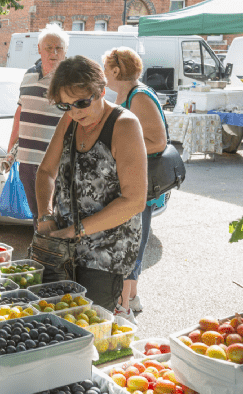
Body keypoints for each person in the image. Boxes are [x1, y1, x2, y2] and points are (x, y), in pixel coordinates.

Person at [35, 56, 147, 318]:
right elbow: (45, 172)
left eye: (82, 103)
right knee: (60, 321)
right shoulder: (71, 121)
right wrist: (45, 215)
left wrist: (77, 230)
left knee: (93, 326)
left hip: (106, 255)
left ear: (101, 90)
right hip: (64, 248)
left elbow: (134, 201)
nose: (75, 112)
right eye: (66, 105)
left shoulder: (124, 125)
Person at [103, 47, 168, 320]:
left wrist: (123, 148)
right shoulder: (128, 94)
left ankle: (124, 308)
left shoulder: (138, 96)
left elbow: (159, 141)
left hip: (139, 185)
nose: (103, 73)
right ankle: (131, 298)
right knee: (133, 244)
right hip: (131, 182)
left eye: (105, 68)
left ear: (116, 70)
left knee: (129, 247)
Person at [6, 24, 69, 230]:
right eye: (49, 47)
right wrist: (11, 150)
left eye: (59, 48)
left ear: (65, 51)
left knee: (56, 216)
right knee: (37, 216)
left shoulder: (69, 81)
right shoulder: (28, 75)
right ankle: (43, 253)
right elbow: (20, 114)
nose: (54, 52)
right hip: (27, 161)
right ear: (39, 49)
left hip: (54, 164)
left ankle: (55, 257)